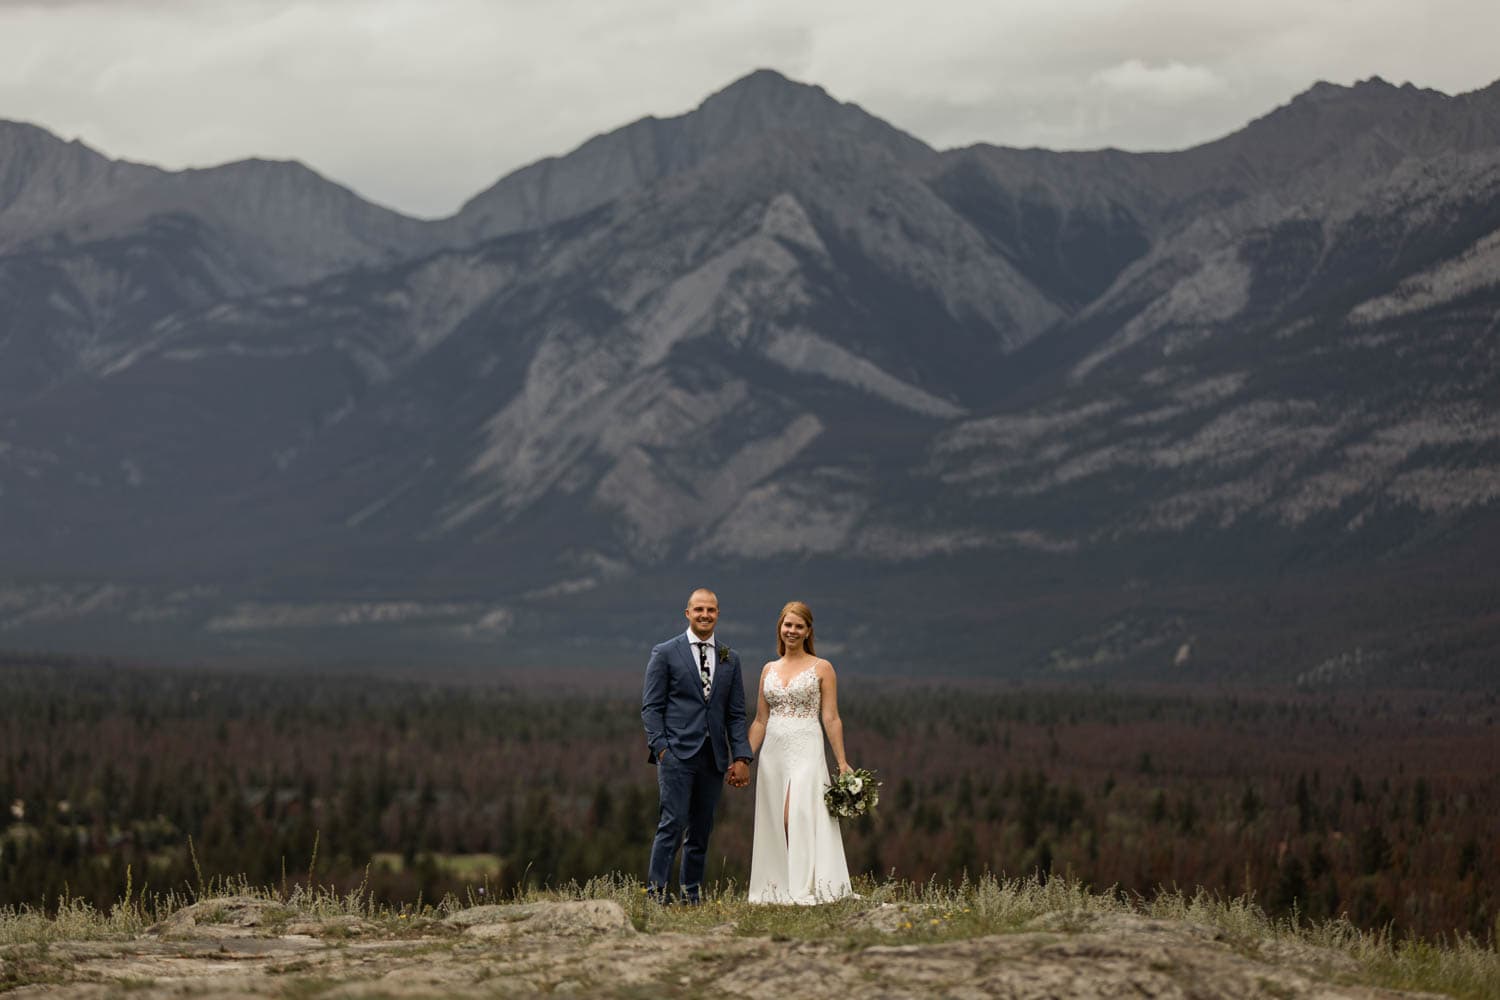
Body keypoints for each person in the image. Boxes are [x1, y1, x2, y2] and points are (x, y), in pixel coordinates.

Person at [641, 587, 753, 904]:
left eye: (711, 610)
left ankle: (691, 895)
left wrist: (742, 755)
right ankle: (656, 895)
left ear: (718, 614)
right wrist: (661, 748)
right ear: (687, 613)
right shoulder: (665, 652)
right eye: (699, 609)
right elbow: (651, 707)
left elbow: (735, 714)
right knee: (672, 824)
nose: (705, 615)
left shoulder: (730, 659)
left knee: (701, 830)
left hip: (714, 757)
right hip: (676, 754)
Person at [746, 600, 854, 903]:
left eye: (798, 626)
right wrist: (743, 758)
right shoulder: (768, 668)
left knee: (797, 815)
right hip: (773, 753)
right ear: (780, 628)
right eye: (787, 625)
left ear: (808, 631)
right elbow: (759, 720)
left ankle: (803, 885)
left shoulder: (822, 668)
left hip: (807, 745)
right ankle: (777, 885)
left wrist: (842, 762)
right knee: (775, 819)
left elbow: (831, 717)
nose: (791, 631)